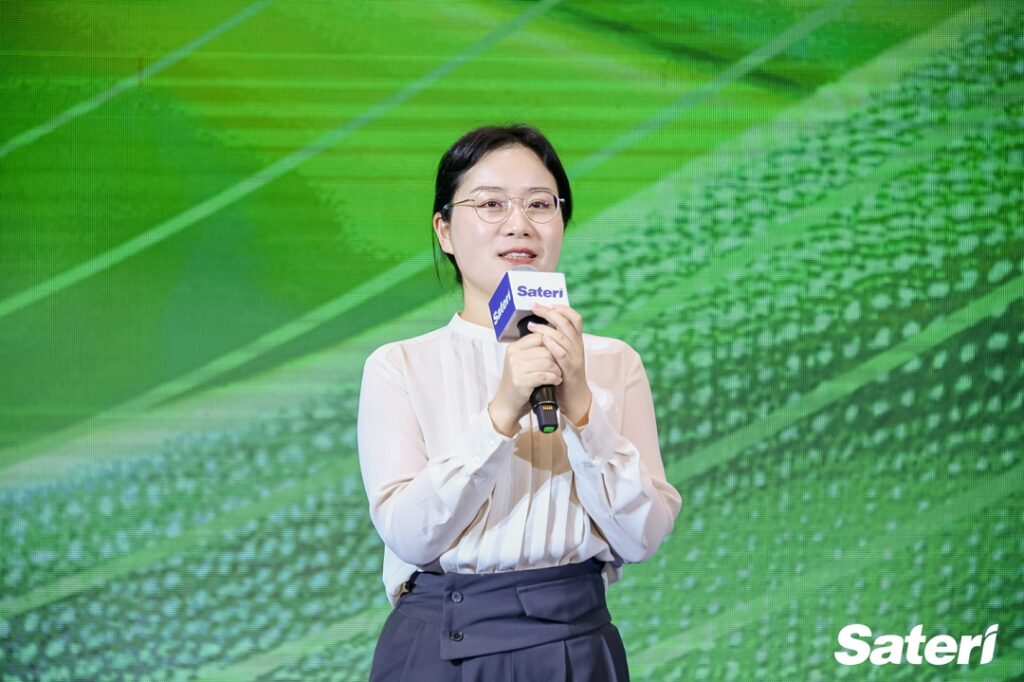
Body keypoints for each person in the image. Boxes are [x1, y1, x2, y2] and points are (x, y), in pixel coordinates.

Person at [357, 124, 682, 681]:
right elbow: (409, 534)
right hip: (442, 645)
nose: (519, 224)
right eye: (490, 204)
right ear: (445, 230)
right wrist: (501, 412)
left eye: (540, 204)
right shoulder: (399, 365)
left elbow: (643, 535)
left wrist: (582, 407)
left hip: (574, 644)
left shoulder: (612, 362)